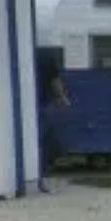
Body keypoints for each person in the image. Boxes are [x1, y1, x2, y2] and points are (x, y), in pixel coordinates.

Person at [36, 52, 72, 194]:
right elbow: (55, 82)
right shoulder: (46, 58)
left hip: (27, 105)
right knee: (44, 141)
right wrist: (63, 98)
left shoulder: (27, 55)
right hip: (42, 104)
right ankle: (41, 176)